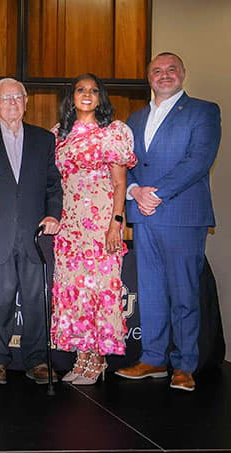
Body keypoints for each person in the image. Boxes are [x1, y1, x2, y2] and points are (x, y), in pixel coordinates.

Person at [116, 53, 221, 392]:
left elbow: (198, 161)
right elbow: (124, 164)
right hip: (144, 219)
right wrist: (133, 190)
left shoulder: (204, 111)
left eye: (171, 69)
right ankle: (153, 358)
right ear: (148, 77)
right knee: (151, 292)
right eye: (157, 70)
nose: (164, 75)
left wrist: (155, 194)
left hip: (181, 216)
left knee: (184, 292)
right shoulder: (134, 119)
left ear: (183, 74)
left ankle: (185, 364)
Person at [50, 73, 137, 385]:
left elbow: (119, 182)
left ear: (101, 96)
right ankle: (81, 358)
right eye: (80, 90)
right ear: (71, 96)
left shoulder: (112, 132)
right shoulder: (59, 134)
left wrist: (116, 223)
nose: (86, 95)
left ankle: (97, 360)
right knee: (75, 292)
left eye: (93, 90)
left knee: (99, 290)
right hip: (69, 226)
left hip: (100, 224)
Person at [0, 78, 63, 385]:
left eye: (18, 97)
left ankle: (37, 359)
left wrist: (53, 215)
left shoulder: (44, 140)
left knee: (35, 301)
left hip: (35, 235)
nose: (12, 103)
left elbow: (54, 184)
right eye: (5, 98)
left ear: (26, 102)